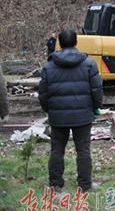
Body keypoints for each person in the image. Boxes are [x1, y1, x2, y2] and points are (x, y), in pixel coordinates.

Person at [38, 29, 102, 193]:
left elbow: (43, 94)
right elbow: (96, 90)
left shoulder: (48, 66)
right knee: (83, 150)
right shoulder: (89, 64)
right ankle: (85, 185)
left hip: (58, 117)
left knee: (57, 150)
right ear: (76, 42)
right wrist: (95, 108)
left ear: (59, 43)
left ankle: (56, 185)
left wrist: (50, 110)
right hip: (83, 116)